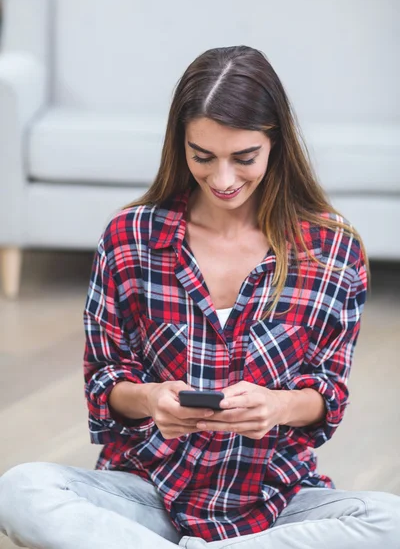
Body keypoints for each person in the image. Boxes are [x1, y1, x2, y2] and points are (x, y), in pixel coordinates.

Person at [0, 45, 399, 548]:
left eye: (244, 157)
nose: (223, 179)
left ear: (276, 143)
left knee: (391, 520)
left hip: (274, 504)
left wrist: (276, 406)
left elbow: (328, 395)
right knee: (20, 489)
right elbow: (105, 381)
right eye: (202, 157)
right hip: (148, 495)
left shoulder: (332, 249)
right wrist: (150, 397)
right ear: (179, 144)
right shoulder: (131, 238)